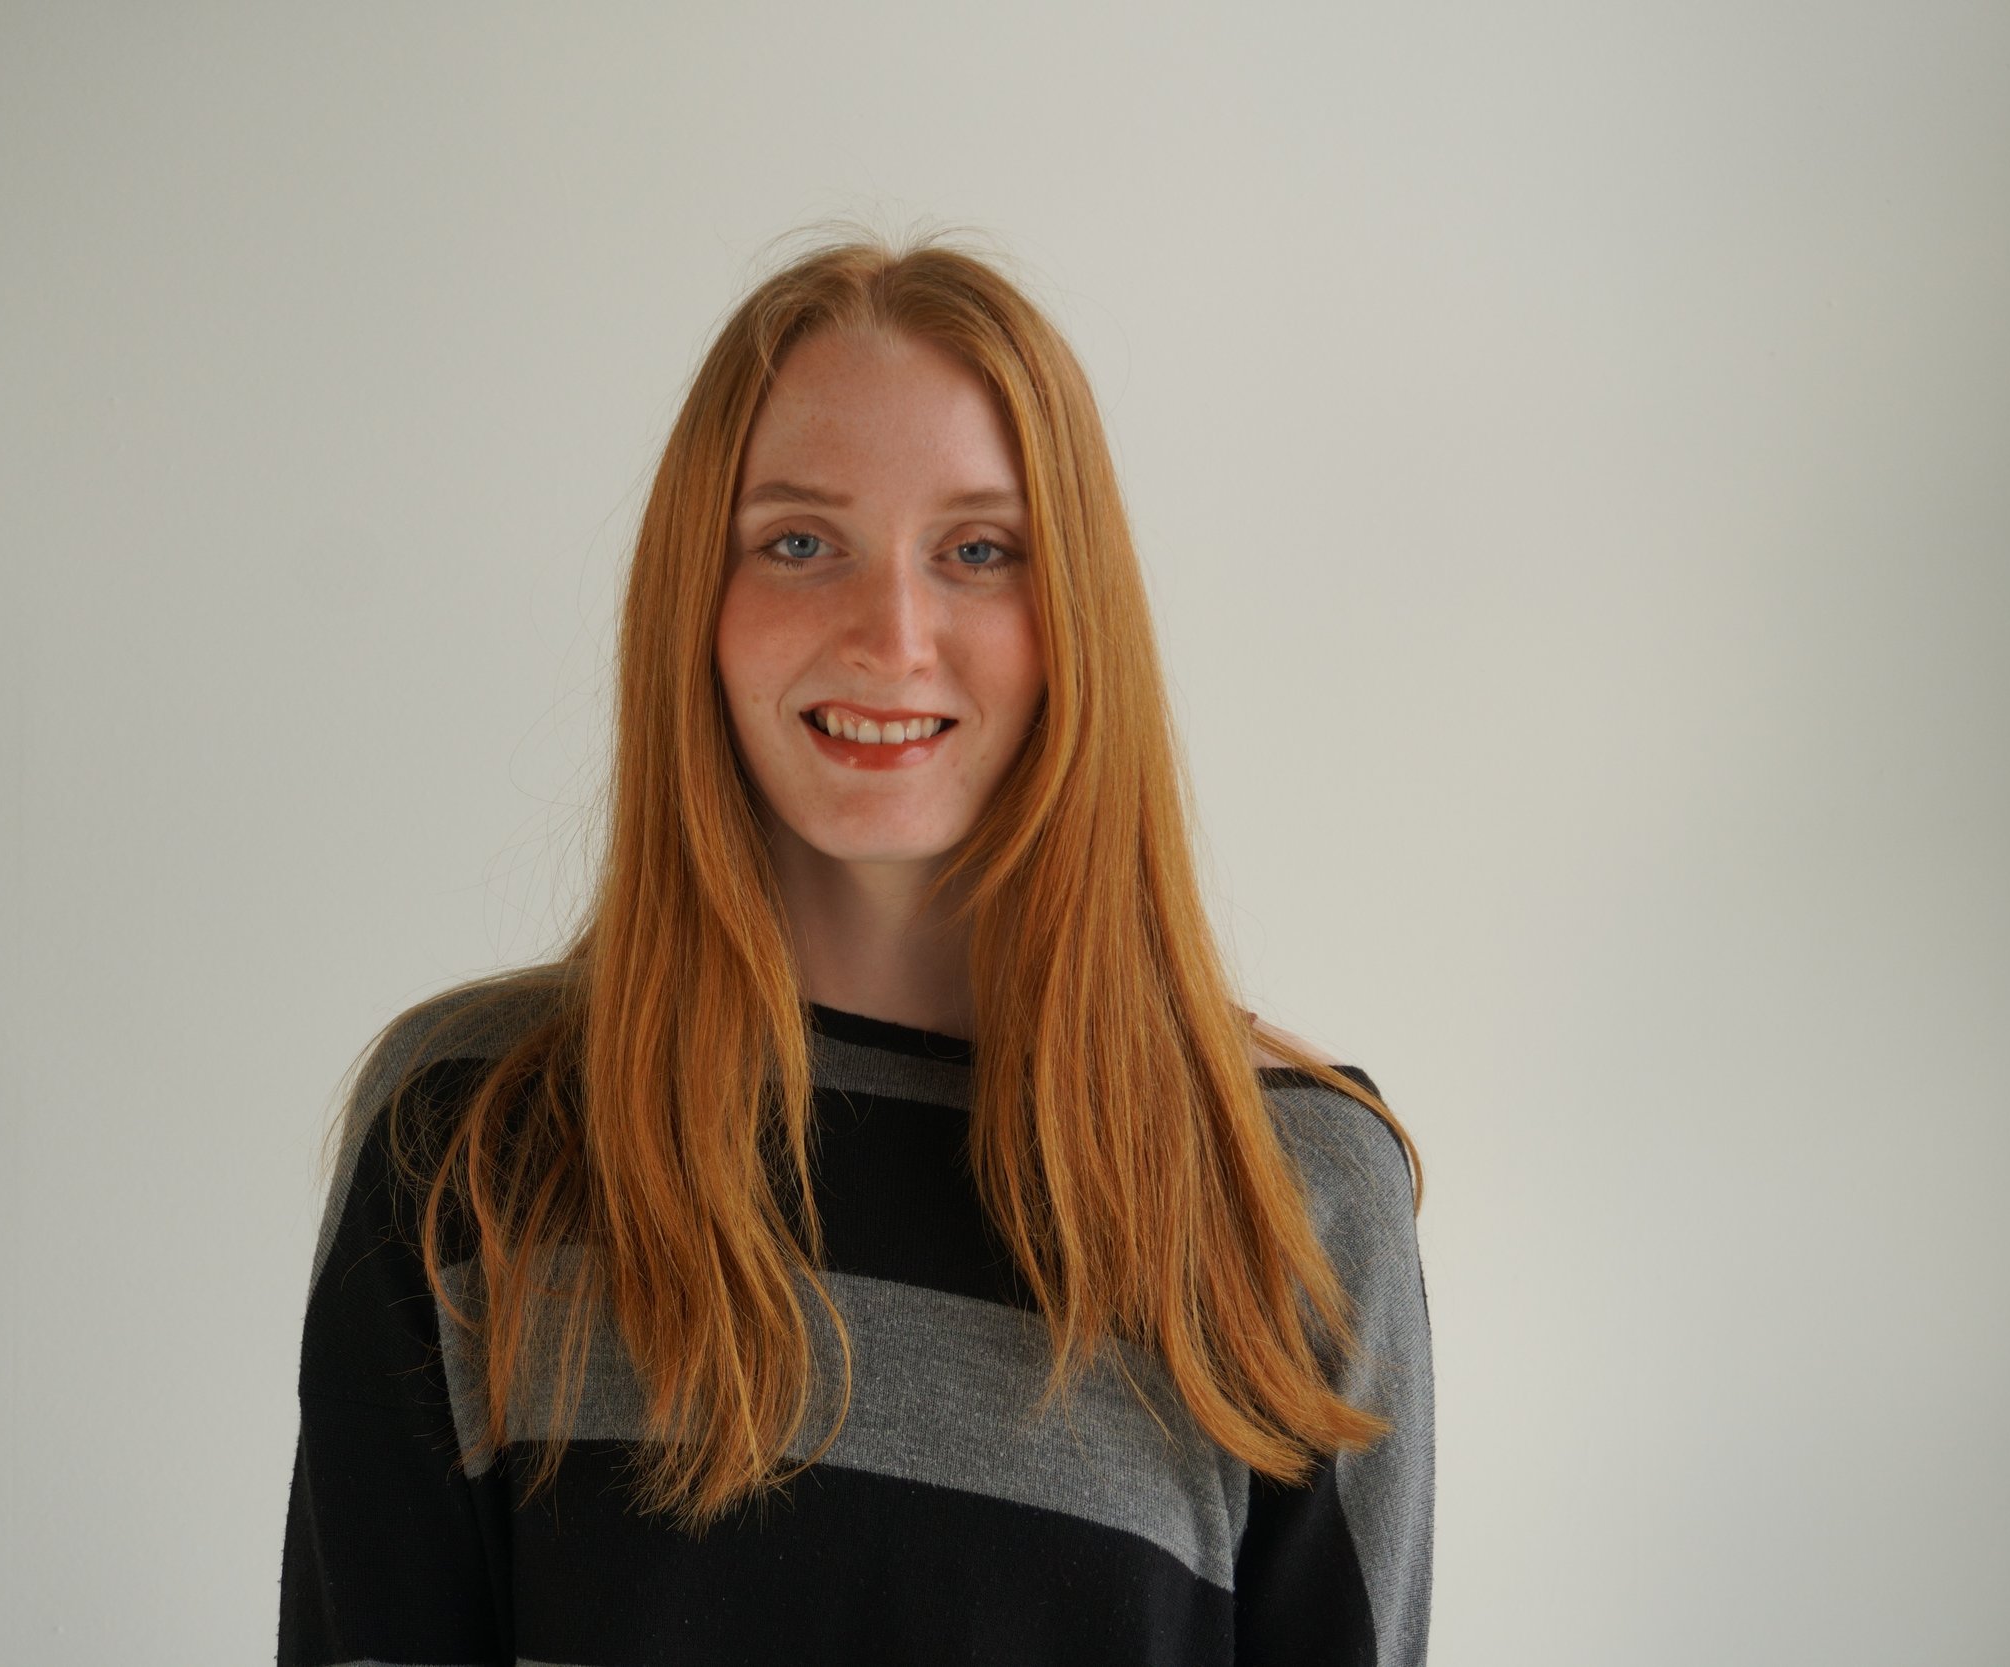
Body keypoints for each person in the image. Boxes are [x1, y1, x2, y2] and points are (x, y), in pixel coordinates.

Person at [277, 230, 1433, 1666]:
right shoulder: (463, 1132)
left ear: (1077, 614)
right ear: (696, 603)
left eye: (979, 551)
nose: (891, 635)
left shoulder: (1294, 1193)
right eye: (799, 543)